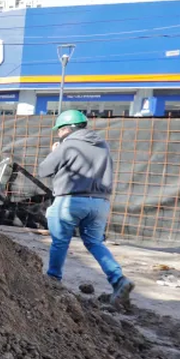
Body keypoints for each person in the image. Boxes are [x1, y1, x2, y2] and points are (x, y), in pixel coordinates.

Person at [38, 109, 135, 306]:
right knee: (94, 242)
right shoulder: (103, 145)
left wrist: (55, 151)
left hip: (70, 201)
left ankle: (53, 280)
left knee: (60, 242)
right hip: (100, 203)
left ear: (67, 129)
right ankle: (118, 280)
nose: (58, 134)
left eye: (59, 130)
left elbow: (44, 170)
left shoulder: (68, 145)